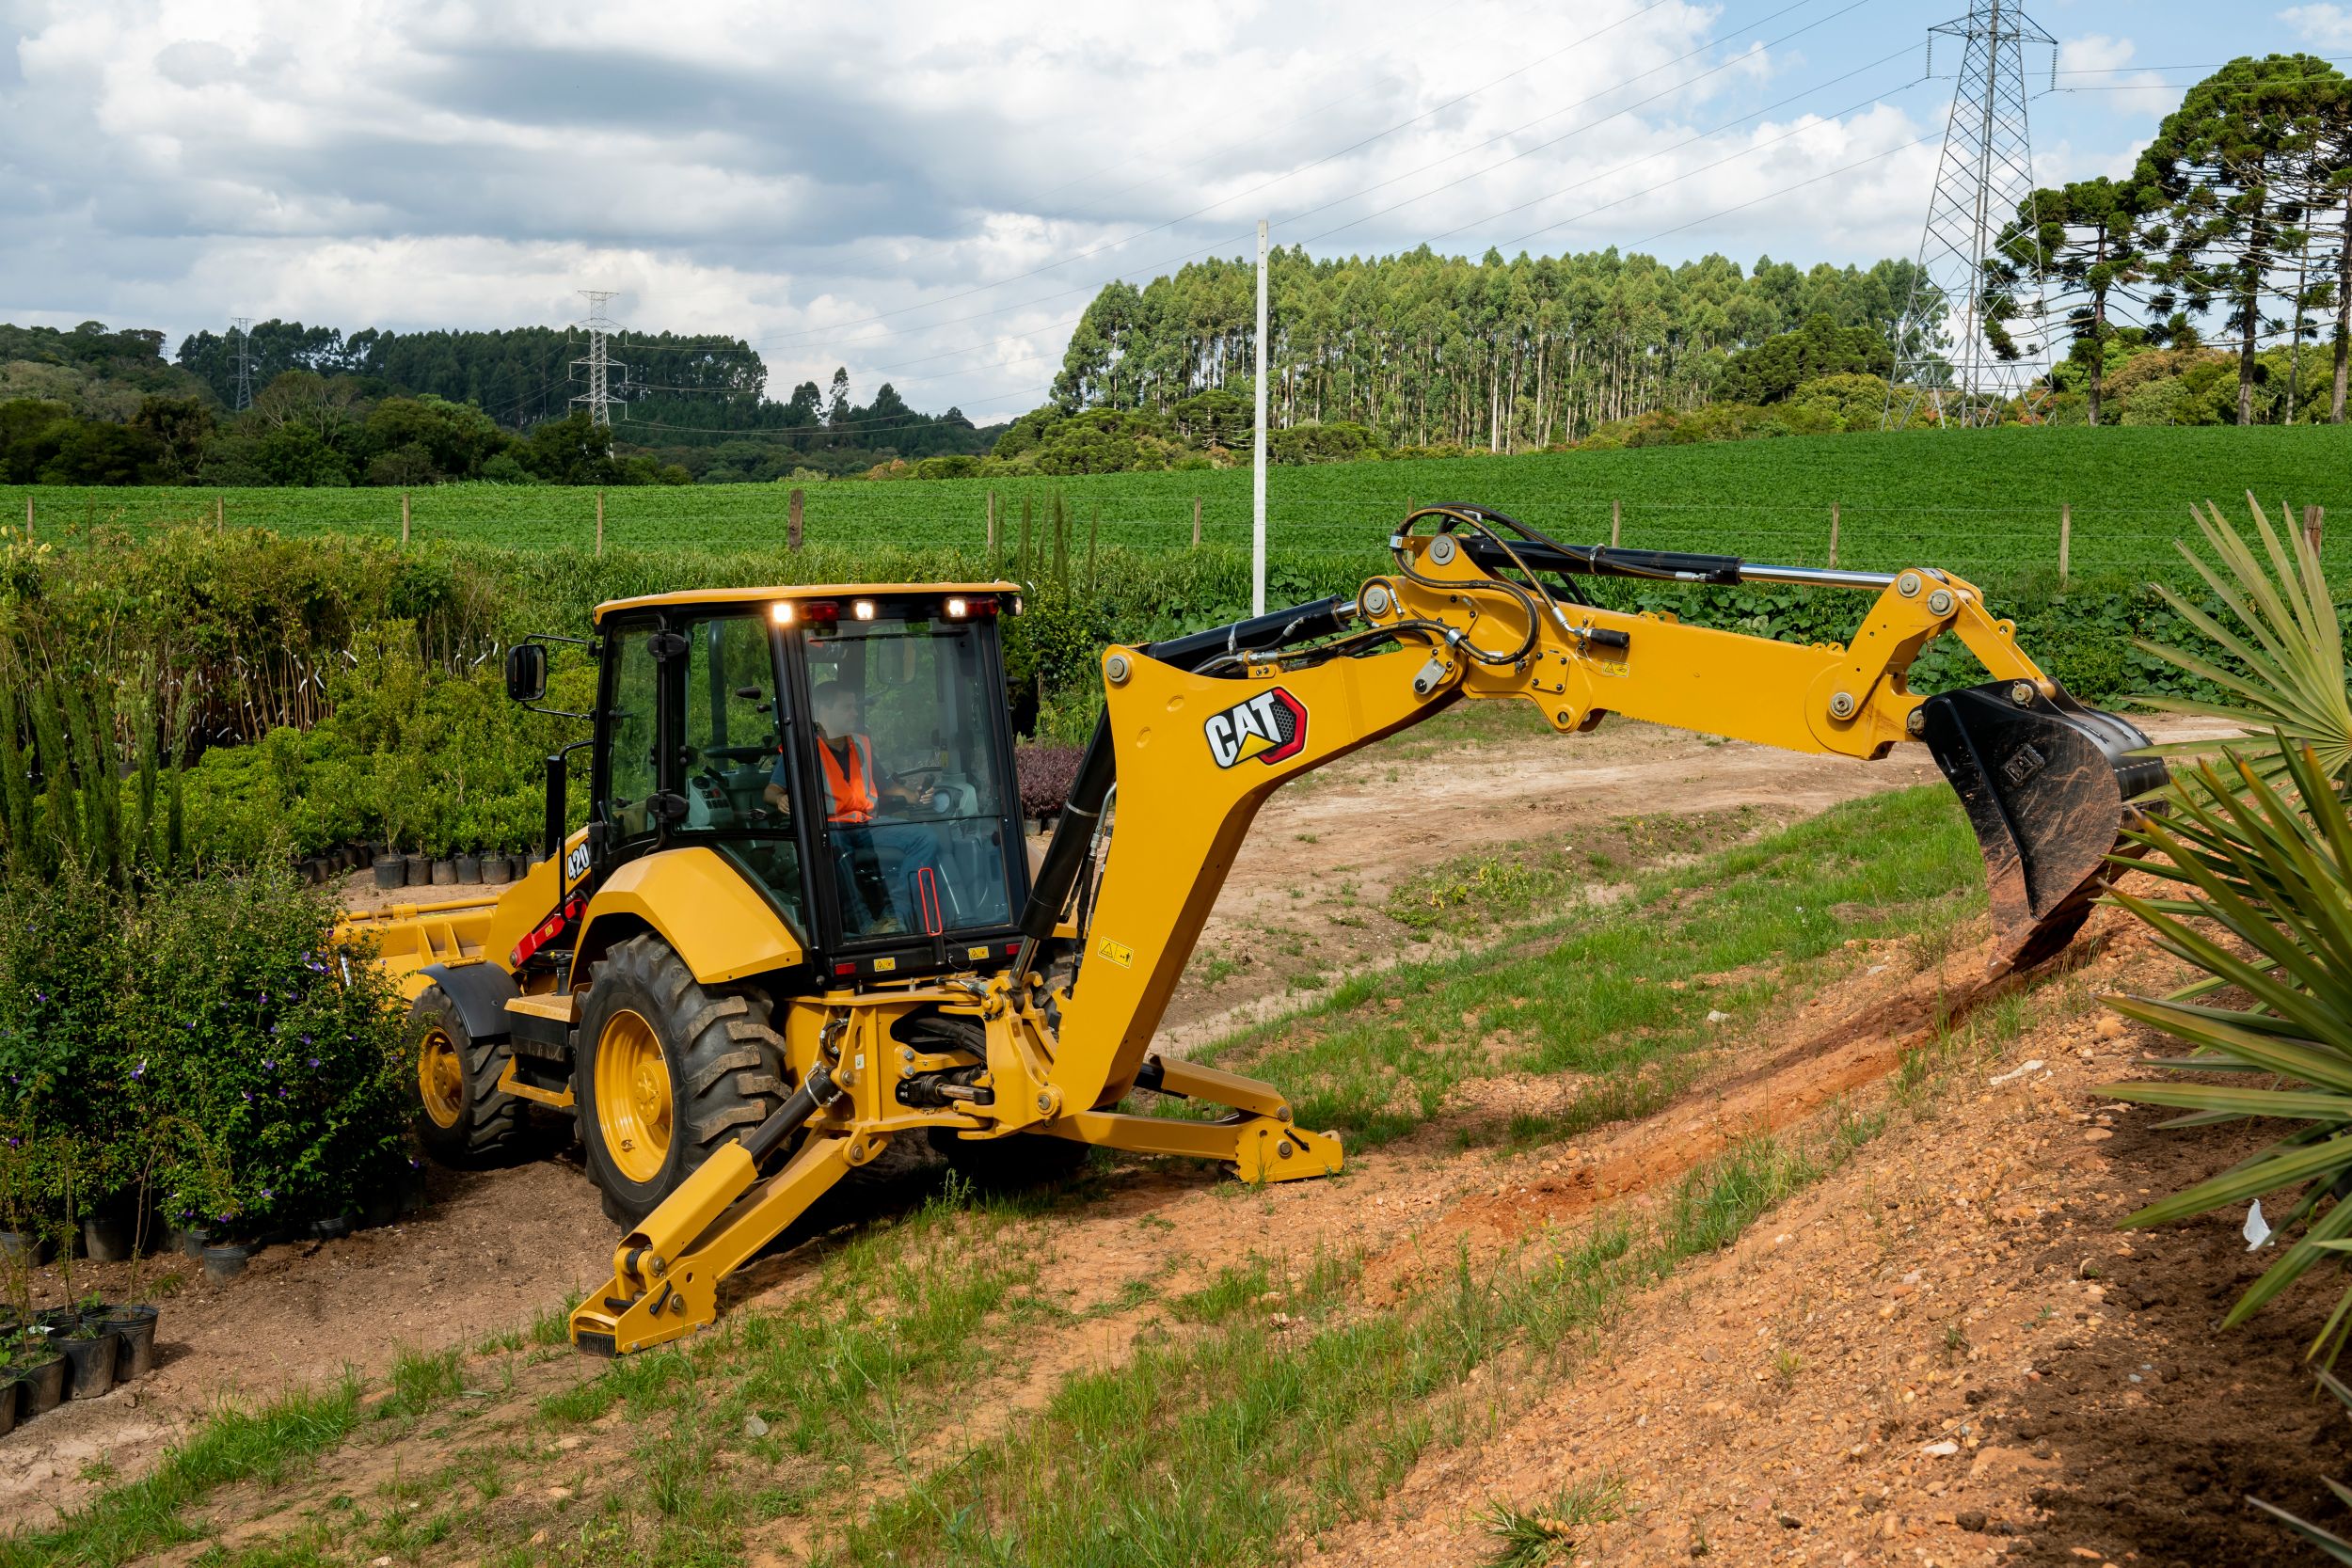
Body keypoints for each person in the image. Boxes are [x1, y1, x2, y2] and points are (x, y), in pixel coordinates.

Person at [767, 681, 951, 935]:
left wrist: (915, 795)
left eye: (854, 707)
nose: (855, 713)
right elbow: (772, 790)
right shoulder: (802, 749)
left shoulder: (861, 745)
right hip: (829, 828)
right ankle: (866, 926)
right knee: (833, 847)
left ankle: (894, 915)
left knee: (925, 838)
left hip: (866, 826)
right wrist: (780, 799)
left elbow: (887, 786)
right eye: (847, 708)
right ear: (824, 711)